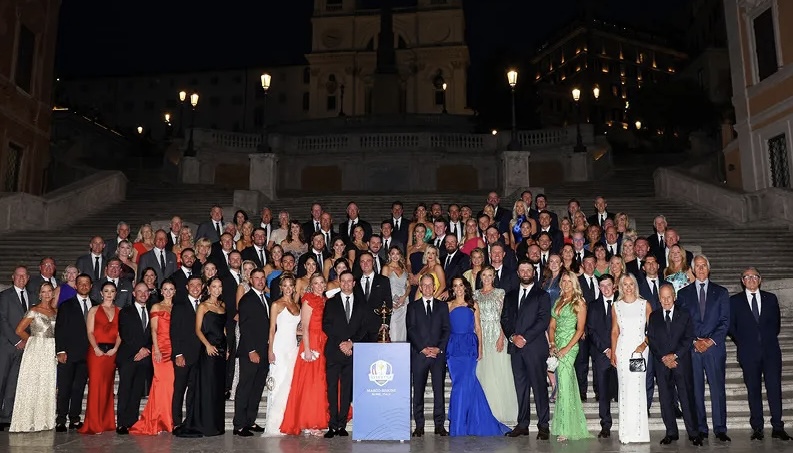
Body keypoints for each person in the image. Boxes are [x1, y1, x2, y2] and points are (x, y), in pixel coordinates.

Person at [728, 268, 791, 441]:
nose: (751, 279)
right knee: (753, 390)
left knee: (774, 389)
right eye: (747, 277)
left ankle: (778, 427)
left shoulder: (771, 298)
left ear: (760, 279)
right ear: (742, 281)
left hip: (771, 352)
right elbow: (731, 326)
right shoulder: (734, 301)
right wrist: (743, 341)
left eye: (754, 276)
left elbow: (776, 325)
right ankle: (757, 428)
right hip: (748, 353)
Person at [445, 277, 509, 436]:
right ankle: (467, 422)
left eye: (461, 285)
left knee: (463, 384)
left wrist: (480, 348)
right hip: (454, 348)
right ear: (452, 289)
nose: (458, 288)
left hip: (469, 346)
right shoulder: (448, 305)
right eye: (455, 286)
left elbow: (478, 328)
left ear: (465, 287)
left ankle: (459, 426)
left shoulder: (473, 304)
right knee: (462, 385)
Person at [677, 255, 730, 442]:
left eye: (703, 266)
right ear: (692, 270)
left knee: (717, 389)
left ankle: (720, 428)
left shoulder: (721, 292)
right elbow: (682, 323)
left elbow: (725, 321)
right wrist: (694, 341)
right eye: (697, 266)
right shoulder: (683, 294)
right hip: (693, 349)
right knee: (696, 390)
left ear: (709, 268)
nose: (700, 269)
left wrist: (709, 341)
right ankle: (701, 428)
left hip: (714, 348)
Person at [500, 261, 551, 439]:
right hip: (516, 348)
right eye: (522, 270)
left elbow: (543, 320)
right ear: (518, 273)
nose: (525, 273)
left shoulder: (542, 295)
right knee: (520, 388)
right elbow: (504, 319)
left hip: (535, 348)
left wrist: (525, 338)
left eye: (528, 270)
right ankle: (522, 424)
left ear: (533, 272)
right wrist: (513, 337)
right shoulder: (510, 295)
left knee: (539, 387)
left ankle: (543, 425)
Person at [647, 284, 702, 446]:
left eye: (669, 297)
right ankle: (671, 432)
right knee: (665, 399)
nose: (666, 300)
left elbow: (688, 337)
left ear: (674, 297)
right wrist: (663, 358)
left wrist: (674, 355)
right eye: (663, 297)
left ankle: (693, 433)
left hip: (681, 361)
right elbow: (652, 339)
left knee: (686, 398)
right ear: (659, 298)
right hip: (662, 363)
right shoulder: (654, 316)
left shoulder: (684, 314)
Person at [175, 277, 227, 437]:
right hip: (208, 350)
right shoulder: (203, 306)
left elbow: (223, 328)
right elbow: (198, 329)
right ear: (208, 288)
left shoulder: (223, 305)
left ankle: (216, 424)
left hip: (221, 350)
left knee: (218, 388)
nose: (217, 289)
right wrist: (207, 345)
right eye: (214, 286)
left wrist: (227, 348)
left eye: (219, 286)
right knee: (208, 387)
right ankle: (205, 424)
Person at [281, 274, 332, 436]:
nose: (319, 285)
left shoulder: (326, 301)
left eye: (321, 282)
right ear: (311, 285)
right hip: (312, 343)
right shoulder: (308, 300)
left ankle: (317, 418)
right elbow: (305, 327)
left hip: (324, 342)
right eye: (316, 283)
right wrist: (308, 350)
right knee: (312, 383)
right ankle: (311, 422)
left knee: (321, 381)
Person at [322, 271, 369, 438]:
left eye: (350, 281)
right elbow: (326, 325)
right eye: (343, 281)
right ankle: (332, 424)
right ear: (339, 283)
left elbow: (364, 327)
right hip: (334, 351)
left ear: (354, 283)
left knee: (347, 389)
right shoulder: (331, 302)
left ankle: (342, 424)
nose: (347, 284)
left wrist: (351, 343)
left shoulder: (362, 304)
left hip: (352, 352)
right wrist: (342, 342)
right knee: (332, 388)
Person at [9, 282, 57, 432]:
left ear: (53, 293)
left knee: (46, 383)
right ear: (39, 294)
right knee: (32, 382)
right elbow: (19, 330)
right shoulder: (34, 310)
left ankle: (44, 420)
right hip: (36, 348)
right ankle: (26, 421)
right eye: (44, 291)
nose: (47, 294)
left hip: (51, 348)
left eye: (49, 291)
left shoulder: (56, 311)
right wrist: (33, 340)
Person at [407, 274, 450, 437]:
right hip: (420, 355)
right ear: (420, 287)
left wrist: (439, 348)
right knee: (418, 391)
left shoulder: (442, 306)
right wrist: (422, 349)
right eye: (424, 285)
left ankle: (439, 425)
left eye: (430, 285)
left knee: (439, 391)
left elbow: (446, 329)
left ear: (434, 287)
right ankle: (419, 426)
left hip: (438, 355)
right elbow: (411, 329)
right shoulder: (413, 306)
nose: (427, 288)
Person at [130, 280, 176, 435]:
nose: (168, 292)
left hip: (173, 349)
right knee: (161, 383)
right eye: (165, 289)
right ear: (161, 291)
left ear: (175, 291)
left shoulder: (176, 308)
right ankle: (157, 420)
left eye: (171, 289)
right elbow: (154, 330)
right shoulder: (156, 307)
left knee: (167, 387)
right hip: (161, 349)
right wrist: (156, 349)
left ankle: (165, 418)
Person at [610, 273, 651, 444]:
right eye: (625, 284)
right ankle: (625, 433)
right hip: (622, 351)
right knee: (625, 389)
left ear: (635, 285)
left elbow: (652, 330)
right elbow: (614, 331)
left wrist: (643, 345)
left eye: (631, 284)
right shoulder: (616, 306)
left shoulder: (645, 304)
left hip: (639, 352)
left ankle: (639, 433)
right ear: (620, 287)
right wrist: (613, 352)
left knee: (638, 388)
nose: (628, 287)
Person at [473, 266, 517, 423]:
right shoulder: (475, 294)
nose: (487, 278)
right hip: (481, 334)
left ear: (494, 277)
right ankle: (485, 411)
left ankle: (500, 411)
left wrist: (501, 336)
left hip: (497, 333)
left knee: (499, 372)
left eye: (490, 275)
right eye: (484, 275)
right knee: (483, 372)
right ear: (480, 277)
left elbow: (504, 316)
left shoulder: (500, 293)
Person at [78, 281, 121, 434]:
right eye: (106, 291)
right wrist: (96, 348)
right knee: (96, 386)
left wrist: (115, 349)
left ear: (116, 294)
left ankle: (106, 422)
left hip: (112, 353)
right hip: (96, 352)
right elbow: (89, 332)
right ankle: (93, 424)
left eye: (112, 291)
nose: (109, 294)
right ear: (101, 293)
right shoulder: (94, 310)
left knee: (108, 387)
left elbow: (121, 334)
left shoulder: (120, 311)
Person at [55, 274, 94, 432]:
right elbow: (60, 328)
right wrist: (60, 350)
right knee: (65, 388)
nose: (84, 286)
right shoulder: (66, 305)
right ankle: (61, 419)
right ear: (76, 286)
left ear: (91, 286)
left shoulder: (96, 305)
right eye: (81, 283)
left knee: (79, 388)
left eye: (87, 283)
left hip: (87, 354)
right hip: (68, 353)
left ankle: (75, 418)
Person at [233, 269, 269, 437]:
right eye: (256, 278)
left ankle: (250, 421)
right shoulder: (247, 300)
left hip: (264, 352)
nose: (260, 281)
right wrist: (251, 350)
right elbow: (245, 327)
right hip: (251, 352)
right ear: (250, 280)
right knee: (245, 387)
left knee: (257, 388)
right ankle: (239, 425)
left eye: (262, 278)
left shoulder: (267, 299)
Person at [263, 274, 301, 436]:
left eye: (290, 285)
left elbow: (294, 329)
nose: (288, 288)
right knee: (277, 383)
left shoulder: (297, 305)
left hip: (292, 347)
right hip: (279, 347)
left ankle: (287, 421)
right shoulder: (276, 304)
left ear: (294, 287)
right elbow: (272, 329)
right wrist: (270, 350)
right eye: (285, 285)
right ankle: (274, 425)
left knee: (289, 384)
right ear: (280, 288)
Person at [115, 282, 153, 434]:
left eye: (145, 291)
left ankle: (132, 421)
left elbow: (155, 334)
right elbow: (125, 333)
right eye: (139, 291)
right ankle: (122, 423)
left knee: (137, 390)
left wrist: (146, 350)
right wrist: (139, 349)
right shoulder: (126, 311)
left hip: (145, 357)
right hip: (128, 356)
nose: (143, 294)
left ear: (149, 294)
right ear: (134, 294)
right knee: (125, 389)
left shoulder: (152, 311)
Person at [0, 266, 35, 428]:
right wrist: (16, 341)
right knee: (1, 381)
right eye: (18, 276)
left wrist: (28, 341)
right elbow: (2, 321)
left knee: (13, 384)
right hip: (6, 346)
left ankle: (6, 416)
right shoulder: (4, 296)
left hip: (25, 348)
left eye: (24, 276)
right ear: (13, 277)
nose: (21, 278)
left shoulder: (32, 296)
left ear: (28, 278)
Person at [586, 274, 618, 438]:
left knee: (622, 389)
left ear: (614, 286)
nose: (606, 289)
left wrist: (616, 349)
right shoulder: (593, 306)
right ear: (599, 288)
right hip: (601, 354)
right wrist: (606, 349)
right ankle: (605, 424)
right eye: (602, 286)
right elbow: (591, 330)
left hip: (620, 353)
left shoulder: (621, 303)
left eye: (608, 285)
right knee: (603, 392)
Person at [170, 275, 203, 430]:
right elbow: (174, 331)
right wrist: (178, 354)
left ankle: (190, 420)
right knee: (179, 389)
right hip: (183, 355)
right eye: (192, 285)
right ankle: (177, 422)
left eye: (198, 285)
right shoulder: (179, 305)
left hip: (200, 356)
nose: (195, 288)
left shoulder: (205, 304)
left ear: (202, 287)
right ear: (187, 287)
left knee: (194, 391)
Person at [382, 246, 409, 342]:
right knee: (393, 328)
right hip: (392, 302)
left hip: (404, 302)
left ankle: (401, 350)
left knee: (403, 329)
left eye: (397, 253)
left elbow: (408, 286)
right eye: (393, 253)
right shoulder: (386, 268)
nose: (395, 256)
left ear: (400, 255)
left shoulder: (404, 268)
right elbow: (382, 288)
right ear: (389, 255)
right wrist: (389, 302)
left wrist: (404, 296)